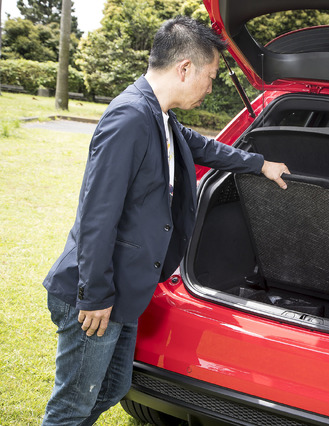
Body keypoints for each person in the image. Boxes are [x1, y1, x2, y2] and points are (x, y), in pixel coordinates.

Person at [41, 16, 290, 425]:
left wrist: (260, 164)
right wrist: (95, 295)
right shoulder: (129, 118)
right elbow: (96, 216)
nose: (210, 88)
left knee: (113, 388)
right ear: (185, 68)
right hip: (94, 296)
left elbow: (205, 147)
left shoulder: (159, 116)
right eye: (210, 77)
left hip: (122, 293)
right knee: (71, 407)